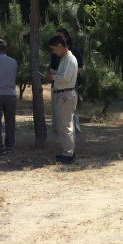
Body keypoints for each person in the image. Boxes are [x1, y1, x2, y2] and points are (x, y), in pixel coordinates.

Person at [45, 35, 78, 164]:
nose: (53, 52)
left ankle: (68, 154)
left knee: (66, 126)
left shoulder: (70, 59)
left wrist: (53, 77)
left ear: (60, 46)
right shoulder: (64, 59)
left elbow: (65, 78)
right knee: (65, 125)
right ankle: (67, 151)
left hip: (66, 95)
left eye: (53, 49)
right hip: (62, 94)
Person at [49, 28, 84, 134]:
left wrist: (67, 73)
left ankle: (75, 133)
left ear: (66, 38)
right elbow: (51, 67)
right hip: (57, 84)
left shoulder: (73, 52)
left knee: (70, 112)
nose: (58, 39)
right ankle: (58, 133)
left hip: (69, 86)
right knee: (57, 111)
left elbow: (80, 68)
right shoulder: (55, 53)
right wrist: (55, 73)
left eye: (60, 36)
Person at [0, 39, 18, 155]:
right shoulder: (14, 62)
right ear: (6, 49)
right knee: (10, 121)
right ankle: (10, 145)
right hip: (11, 94)